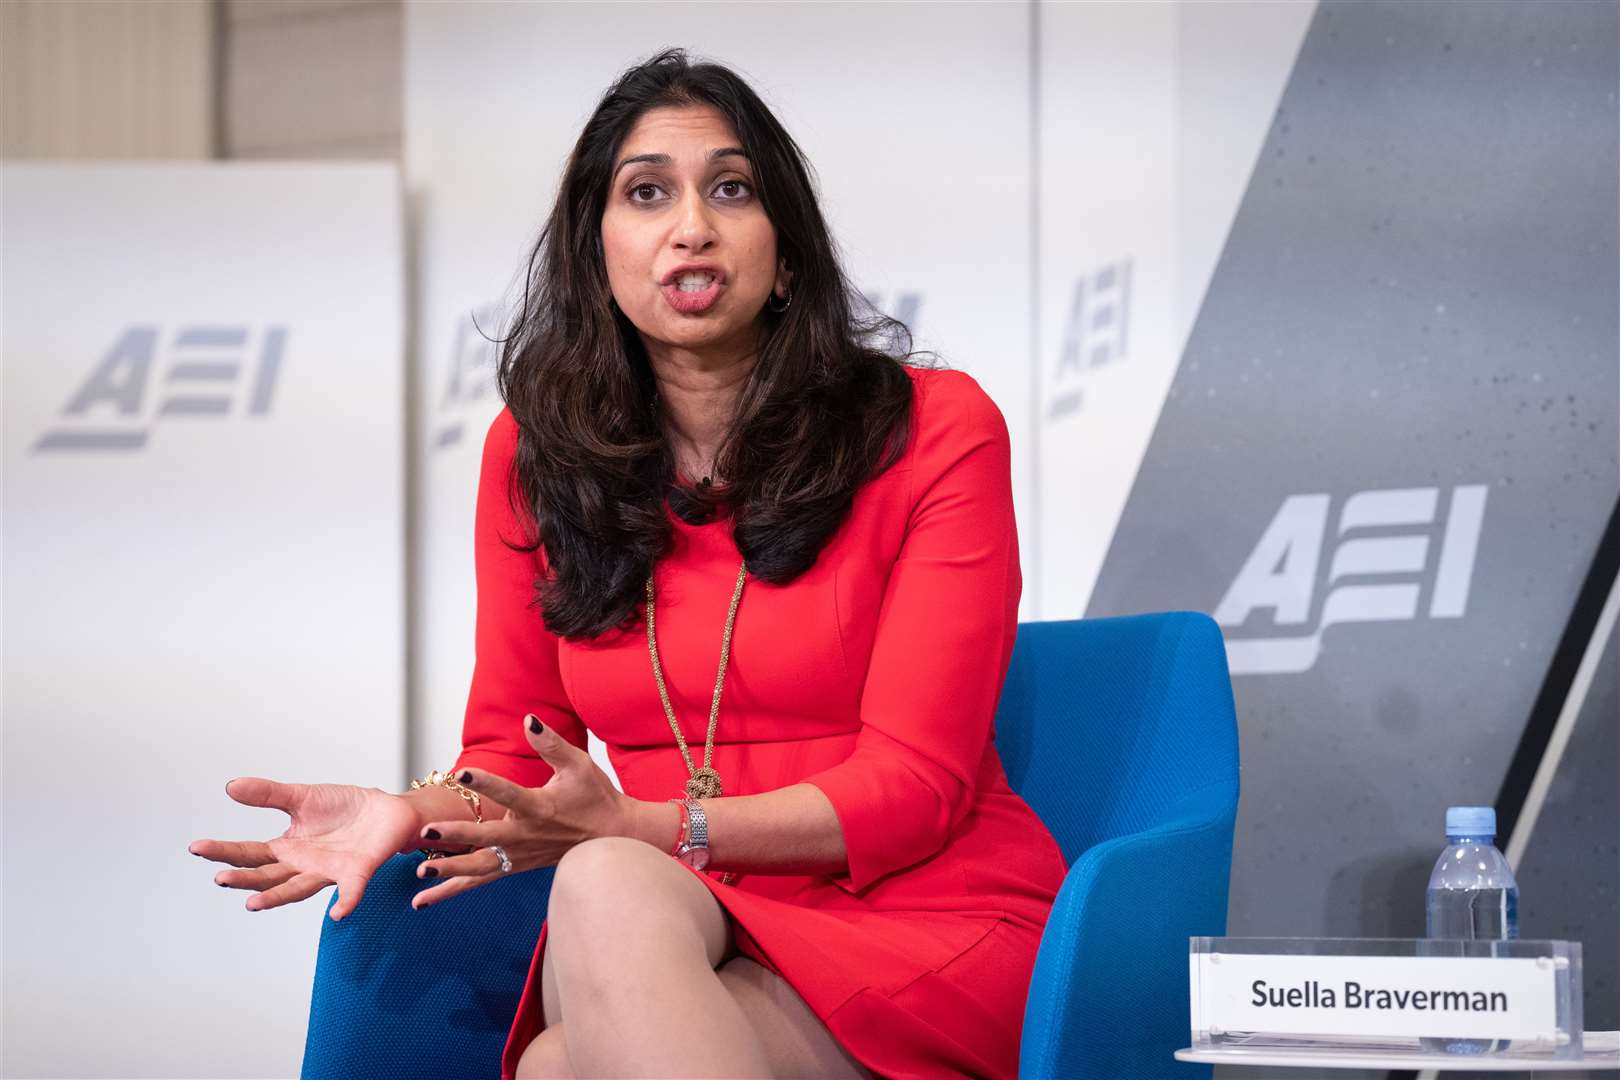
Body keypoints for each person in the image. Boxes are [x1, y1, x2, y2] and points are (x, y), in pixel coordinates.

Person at [190, 47, 1068, 1080]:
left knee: (573, 1020)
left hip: (923, 917)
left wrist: (648, 825)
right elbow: (517, 754)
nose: (690, 224)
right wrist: (412, 809)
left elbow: (916, 788)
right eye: (647, 193)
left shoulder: (932, 429)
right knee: (593, 950)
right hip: (684, 924)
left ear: (785, 252)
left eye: (730, 190)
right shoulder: (534, 457)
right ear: (595, 252)